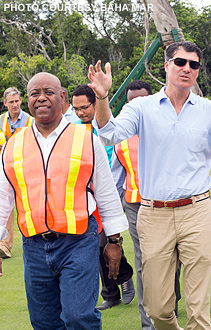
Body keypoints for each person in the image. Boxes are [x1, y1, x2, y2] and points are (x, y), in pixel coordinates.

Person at [88, 40, 211, 330]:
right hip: (153, 215)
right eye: (180, 62)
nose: (187, 68)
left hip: (197, 212)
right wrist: (101, 98)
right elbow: (109, 133)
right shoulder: (142, 107)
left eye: (194, 64)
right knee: (159, 309)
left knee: (198, 310)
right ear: (166, 66)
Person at [0, 72, 128, 329]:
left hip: (78, 242)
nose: (41, 98)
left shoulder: (86, 139)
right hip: (34, 246)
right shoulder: (12, 146)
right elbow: (3, 199)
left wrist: (114, 242)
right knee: (44, 322)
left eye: (48, 92)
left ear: (62, 97)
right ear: (27, 100)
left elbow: (106, 193)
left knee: (78, 316)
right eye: (35, 93)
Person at [111, 80, 182, 329]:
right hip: (135, 206)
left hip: (170, 206)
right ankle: (148, 323)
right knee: (145, 263)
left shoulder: (170, 127)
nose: (137, 106)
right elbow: (116, 178)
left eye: (142, 100)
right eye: (132, 102)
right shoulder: (122, 136)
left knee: (173, 257)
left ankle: (170, 301)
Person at [71, 84, 135, 311]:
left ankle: (123, 277)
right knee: (96, 245)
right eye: (76, 108)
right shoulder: (74, 132)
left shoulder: (111, 128)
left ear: (95, 103)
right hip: (85, 197)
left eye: (84, 107)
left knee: (106, 241)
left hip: (112, 193)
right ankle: (112, 292)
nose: (80, 113)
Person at [0, 87, 34, 259]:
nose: (14, 104)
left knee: (27, 205)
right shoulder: (0, 121)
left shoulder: (31, 121)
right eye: (11, 102)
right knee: (6, 203)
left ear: (21, 101)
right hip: (5, 168)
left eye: (17, 101)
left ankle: (33, 238)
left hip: (26, 168)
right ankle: (4, 244)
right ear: (5, 103)